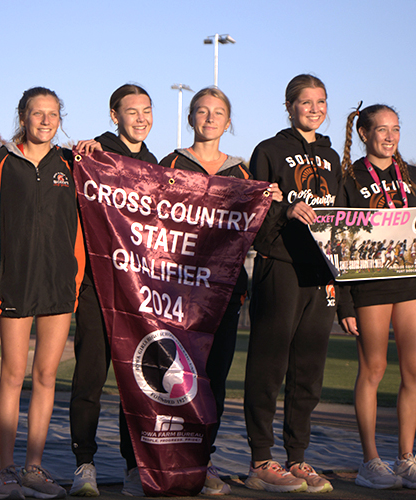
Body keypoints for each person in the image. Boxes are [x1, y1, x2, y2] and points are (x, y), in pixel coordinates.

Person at [160, 86, 282, 495]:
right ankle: (172, 460)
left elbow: (260, 233)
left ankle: (204, 461)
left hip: (225, 293)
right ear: (191, 117)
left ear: (228, 123)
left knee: (213, 379)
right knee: (175, 379)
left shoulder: (243, 174)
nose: (209, 118)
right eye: (201, 111)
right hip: (177, 293)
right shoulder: (172, 163)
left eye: (218, 113)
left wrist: (272, 203)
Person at [244, 74, 339, 494]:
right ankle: (261, 459)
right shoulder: (269, 150)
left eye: (320, 101)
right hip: (279, 266)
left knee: (309, 373)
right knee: (268, 366)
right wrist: (285, 208)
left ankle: (297, 458)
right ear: (289, 106)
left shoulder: (333, 156)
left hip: (321, 274)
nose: (314, 108)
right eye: (305, 102)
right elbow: (254, 208)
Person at [0, 87, 84, 500]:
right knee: (12, 375)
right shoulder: (2, 161)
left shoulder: (72, 163)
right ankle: (6, 472)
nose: (46, 121)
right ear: (22, 116)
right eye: (37, 114)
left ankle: (33, 468)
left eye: (53, 114)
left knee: (46, 377)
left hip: (60, 283)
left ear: (60, 118)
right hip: (15, 282)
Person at [338, 104, 416, 490]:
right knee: (373, 370)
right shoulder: (349, 176)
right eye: (381, 129)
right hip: (369, 285)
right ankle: (370, 461)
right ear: (364, 134)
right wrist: (345, 303)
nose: (390, 136)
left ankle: (406, 458)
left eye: (395, 128)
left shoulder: (413, 176)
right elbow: (339, 243)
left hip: (411, 282)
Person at [68, 84, 157, 498]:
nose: (140, 118)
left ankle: (131, 465)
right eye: (131, 111)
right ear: (113, 115)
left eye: (146, 111)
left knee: (133, 381)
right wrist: (79, 153)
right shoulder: (95, 152)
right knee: (89, 377)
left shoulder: (154, 163)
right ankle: (83, 463)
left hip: (136, 290)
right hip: (96, 285)